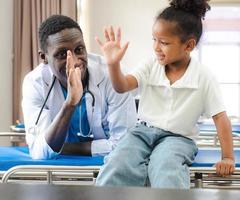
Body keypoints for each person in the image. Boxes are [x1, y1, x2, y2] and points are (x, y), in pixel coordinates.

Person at [95, 0, 235, 188]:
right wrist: (113, 65)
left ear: (189, 46)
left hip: (178, 139)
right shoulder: (150, 65)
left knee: (165, 167)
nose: (156, 47)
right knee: (117, 163)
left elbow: (220, 118)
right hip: (142, 133)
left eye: (164, 42)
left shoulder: (204, 77)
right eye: (154, 39)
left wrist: (227, 157)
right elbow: (122, 86)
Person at [22, 15, 137, 159]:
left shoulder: (113, 77)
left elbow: (124, 145)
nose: (75, 62)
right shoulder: (35, 83)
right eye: (62, 54)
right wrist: (70, 103)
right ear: (44, 57)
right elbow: (40, 152)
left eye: (79, 49)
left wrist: (64, 148)